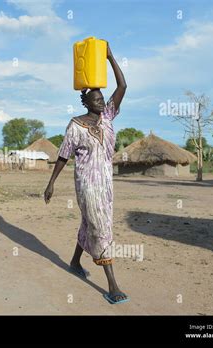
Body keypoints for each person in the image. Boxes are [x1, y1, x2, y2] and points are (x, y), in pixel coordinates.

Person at [44, 42, 128, 304]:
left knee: (89, 224)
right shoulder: (76, 126)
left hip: (106, 184)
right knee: (101, 227)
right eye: (97, 99)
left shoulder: (108, 118)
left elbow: (122, 86)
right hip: (87, 185)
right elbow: (63, 155)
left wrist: (110, 56)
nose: (102, 102)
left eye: (103, 98)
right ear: (86, 102)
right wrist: (51, 183)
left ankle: (74, 262)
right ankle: (113, 286)